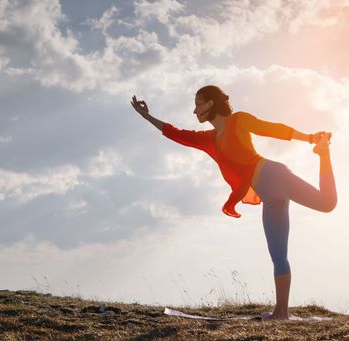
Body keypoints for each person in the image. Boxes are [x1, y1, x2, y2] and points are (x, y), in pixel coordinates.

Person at [130, 85, 337, 320]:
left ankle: (323, 153)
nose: (195, 110)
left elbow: (271, 129)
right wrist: (146, 116)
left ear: (210, 104)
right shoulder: (209, 139)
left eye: (198, 103)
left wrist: (309, 138)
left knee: (327, 203)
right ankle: (281, 312)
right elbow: (175, 133)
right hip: (269, 197)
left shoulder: (237, 120)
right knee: (278, 256)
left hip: (274, 175)